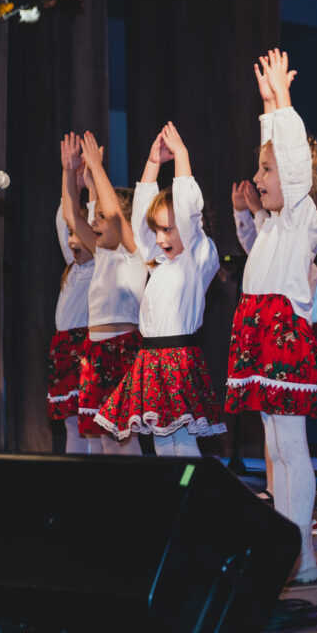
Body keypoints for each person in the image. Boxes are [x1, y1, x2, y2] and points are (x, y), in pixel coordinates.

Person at [226, 49, 317, 583]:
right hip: (258, 336)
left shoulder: (301, 218)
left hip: (283, 338)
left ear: (294, 181)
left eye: (265, 169)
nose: (258, 175)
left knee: (290, 448)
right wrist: (268, 104)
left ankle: (303, 553)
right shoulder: (271, 229)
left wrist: (282, 103)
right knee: (275, 449)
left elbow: (290, 162)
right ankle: (287, 547)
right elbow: (277, 159)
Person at [95, 123, 225, 453]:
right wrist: (152, 165)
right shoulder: (161, 261)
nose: (160, 238)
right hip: (152, 358)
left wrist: (181, 156)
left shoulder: (197, 257)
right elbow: (141, 227)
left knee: (182, 443)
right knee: (164, 444)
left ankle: (190, 495)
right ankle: (177, 498)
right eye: (158, 230)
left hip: (178, 359)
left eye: (168, 229)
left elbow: (185, 209)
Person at [67, 131, 148, 455]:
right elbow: (73, 216)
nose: (95, 222)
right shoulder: (102, 254)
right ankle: (114, 500)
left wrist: (99, 170)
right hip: (95, 352)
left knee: (124, 434)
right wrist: (72, 176)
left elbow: (114, 216)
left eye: (99, 217)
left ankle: (137, 497)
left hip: (122, 351)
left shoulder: (133, 252)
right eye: (96, 217)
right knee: (102, 436)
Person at [51, 140, 96, 453]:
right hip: (64, 348)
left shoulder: (98, 263)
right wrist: (70, 180)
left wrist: (87, 189)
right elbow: (63, 219)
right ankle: (73, 482)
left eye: (79, 234)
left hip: (86, 347)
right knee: (70, 423)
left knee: (90, 421)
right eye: (70, 236)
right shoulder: (72, 268)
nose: (72, 241)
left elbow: (86, 223)